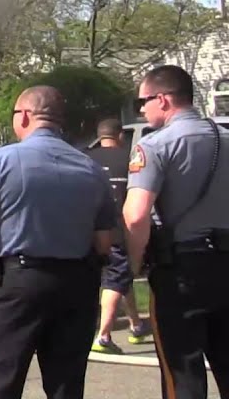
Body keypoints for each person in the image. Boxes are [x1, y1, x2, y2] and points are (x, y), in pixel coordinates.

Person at [0, 86, 115, 399]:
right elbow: (104, 241)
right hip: (76, 285)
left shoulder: (0, 160)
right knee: (66, 385)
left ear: (25, 116)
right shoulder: (91, 168)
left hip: (19, 283)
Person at [123, 64, 229, 399]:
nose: (142, 108)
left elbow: (136, 215)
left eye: (144, 101)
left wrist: (134, 263)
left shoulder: (154, 146)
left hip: (181, 272)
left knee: (182, 375)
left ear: (164, 100)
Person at [86, 116, 151, 354]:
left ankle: (136, 325)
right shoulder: (128, 159)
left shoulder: (86, 159)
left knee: (121, 277)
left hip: (89, 230)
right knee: (116, 278)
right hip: (117, 229)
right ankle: (103, 337)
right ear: (120, 136)